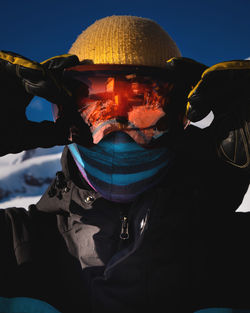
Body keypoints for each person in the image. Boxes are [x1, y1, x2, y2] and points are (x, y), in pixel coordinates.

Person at [0, 15, 249, 313]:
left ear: (180, 116)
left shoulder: (232, 249)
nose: (117, 133)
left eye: (144, 105)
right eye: (94, 107)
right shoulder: (12, 243)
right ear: (63, 114)